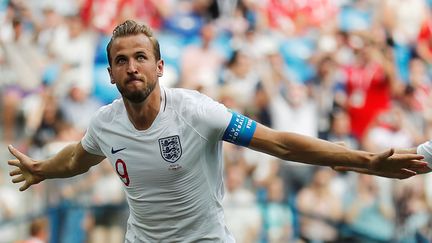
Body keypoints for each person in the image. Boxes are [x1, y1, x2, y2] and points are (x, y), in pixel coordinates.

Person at [6, 20, 431, 242]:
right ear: (111, 73)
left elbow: (280, 143)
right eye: (121, 60)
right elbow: (79, 157)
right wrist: (43, 168)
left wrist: (366, 162)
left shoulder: (196, 111)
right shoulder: (105, 122)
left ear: (160, 67)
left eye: (140, 57)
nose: (131, 66)